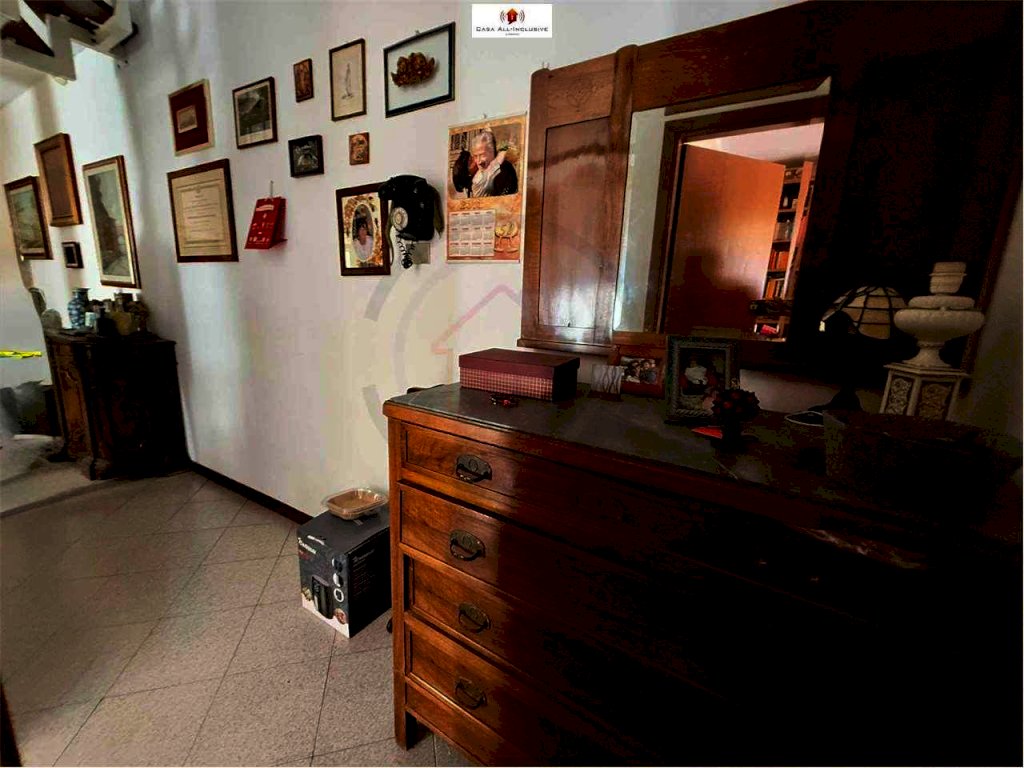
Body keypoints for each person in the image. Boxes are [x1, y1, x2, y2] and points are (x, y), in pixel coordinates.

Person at [469, 130, 518, 197]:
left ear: (492, 152)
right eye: (476, 156)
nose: (478, 161)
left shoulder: (506, 168)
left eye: (482, 155)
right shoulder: (478, 179)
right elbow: (499, 158)